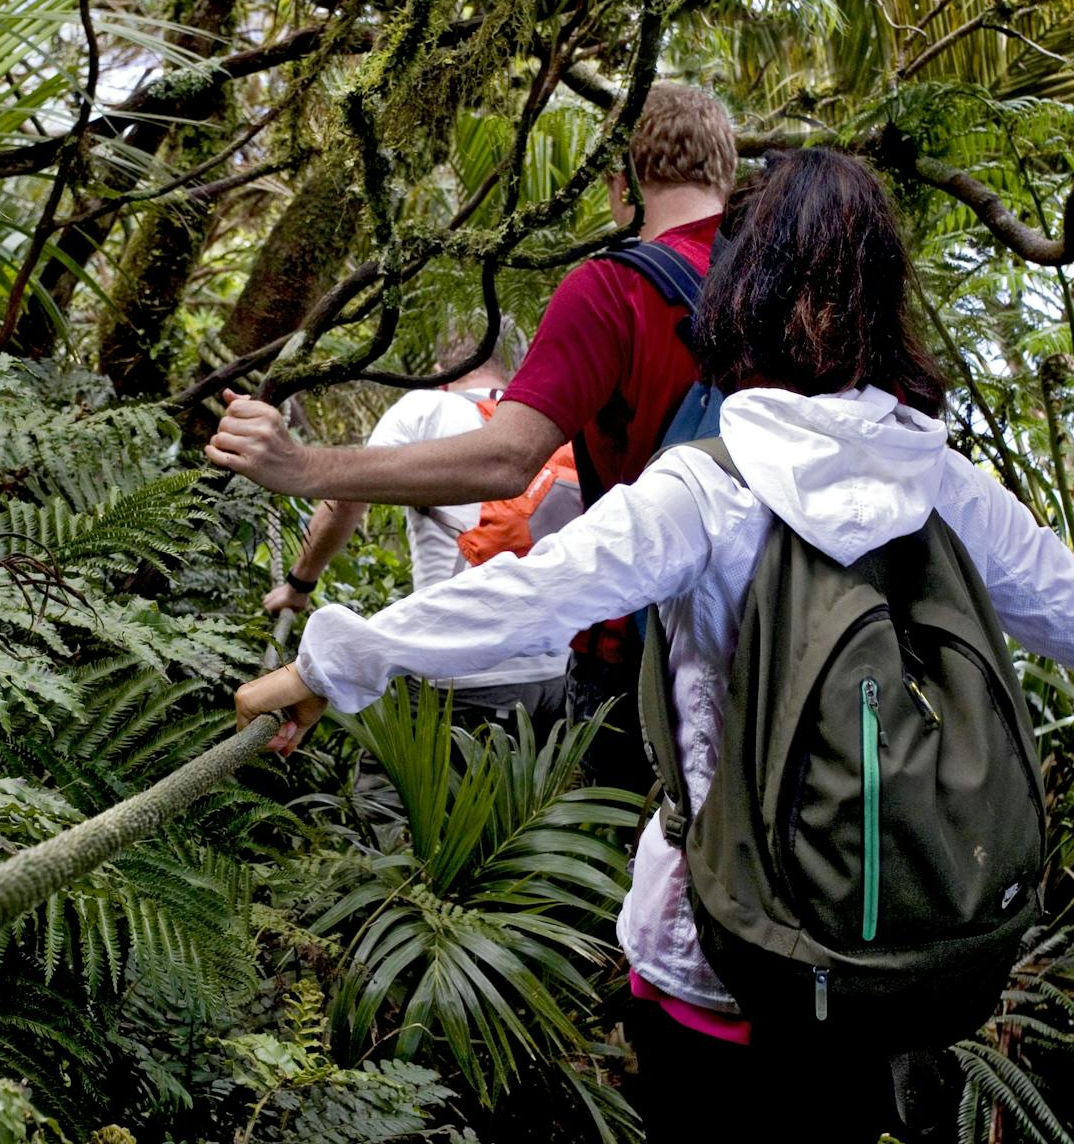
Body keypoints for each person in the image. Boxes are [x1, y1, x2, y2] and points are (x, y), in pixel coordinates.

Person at [232, 149, 1074, 1139]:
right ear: (884, 301)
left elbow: (529, 600)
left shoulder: (707, 490)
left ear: (742, 293)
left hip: (714, 962)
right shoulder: (947, 489)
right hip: (877, 961)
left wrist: (328, 663)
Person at [208, 82, 739, 786]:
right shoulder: (793, 292)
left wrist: (301, 467)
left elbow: (506, 460)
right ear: (729, 176)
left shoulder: (615, 291)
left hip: (633, 657)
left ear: (622, 186)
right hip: (770, 653)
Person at [262, 323, 571, 740]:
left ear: (442, 372)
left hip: (457, 675)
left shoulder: (426, 408)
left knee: (386, 801)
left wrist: (299, 583)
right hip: (555, 678)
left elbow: (348, 498)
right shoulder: (547, 432)